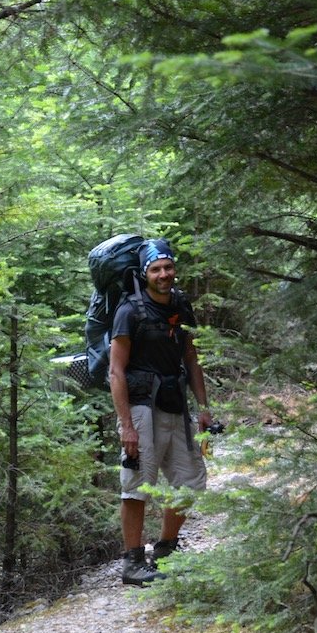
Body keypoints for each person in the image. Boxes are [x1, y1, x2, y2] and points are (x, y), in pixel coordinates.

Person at [108, 237, 214, 586]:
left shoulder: (181, 305)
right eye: (156, 269)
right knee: (137, 486)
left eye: (168, 267)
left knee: (191, 480)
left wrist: (204, 407)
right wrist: (126, 426)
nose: (164, 274)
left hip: (175, 405)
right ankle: (133, 562)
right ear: (145, 273)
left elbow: (191, 358)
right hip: (140, 409)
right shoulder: (129, 311)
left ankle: (166, 549)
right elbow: (115, 371)